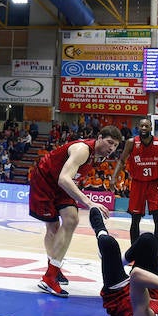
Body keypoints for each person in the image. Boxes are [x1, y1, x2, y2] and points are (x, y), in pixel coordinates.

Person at [28, 125, 123, 297]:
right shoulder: (82, 149)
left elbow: (66, 179)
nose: (112, 148)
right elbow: (64, 178)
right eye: (110, 142)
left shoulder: (98, 156)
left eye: (115, 146)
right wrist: (89, 202)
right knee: (53, 227)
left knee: (72, 219)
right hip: (45, 181)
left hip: (61, 185)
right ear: (99, 137)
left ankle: (52, 270)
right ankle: (51, 275)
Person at [110, 117, 158, 271]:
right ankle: (134, 254)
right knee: (135, 219)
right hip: (137, 183)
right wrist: (114, 177)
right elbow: (122, 160)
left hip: (154, 184)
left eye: (147, 125)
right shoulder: (131, 142)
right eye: (142, 125)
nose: (144, 127)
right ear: (138, 127)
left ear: (151, 127)